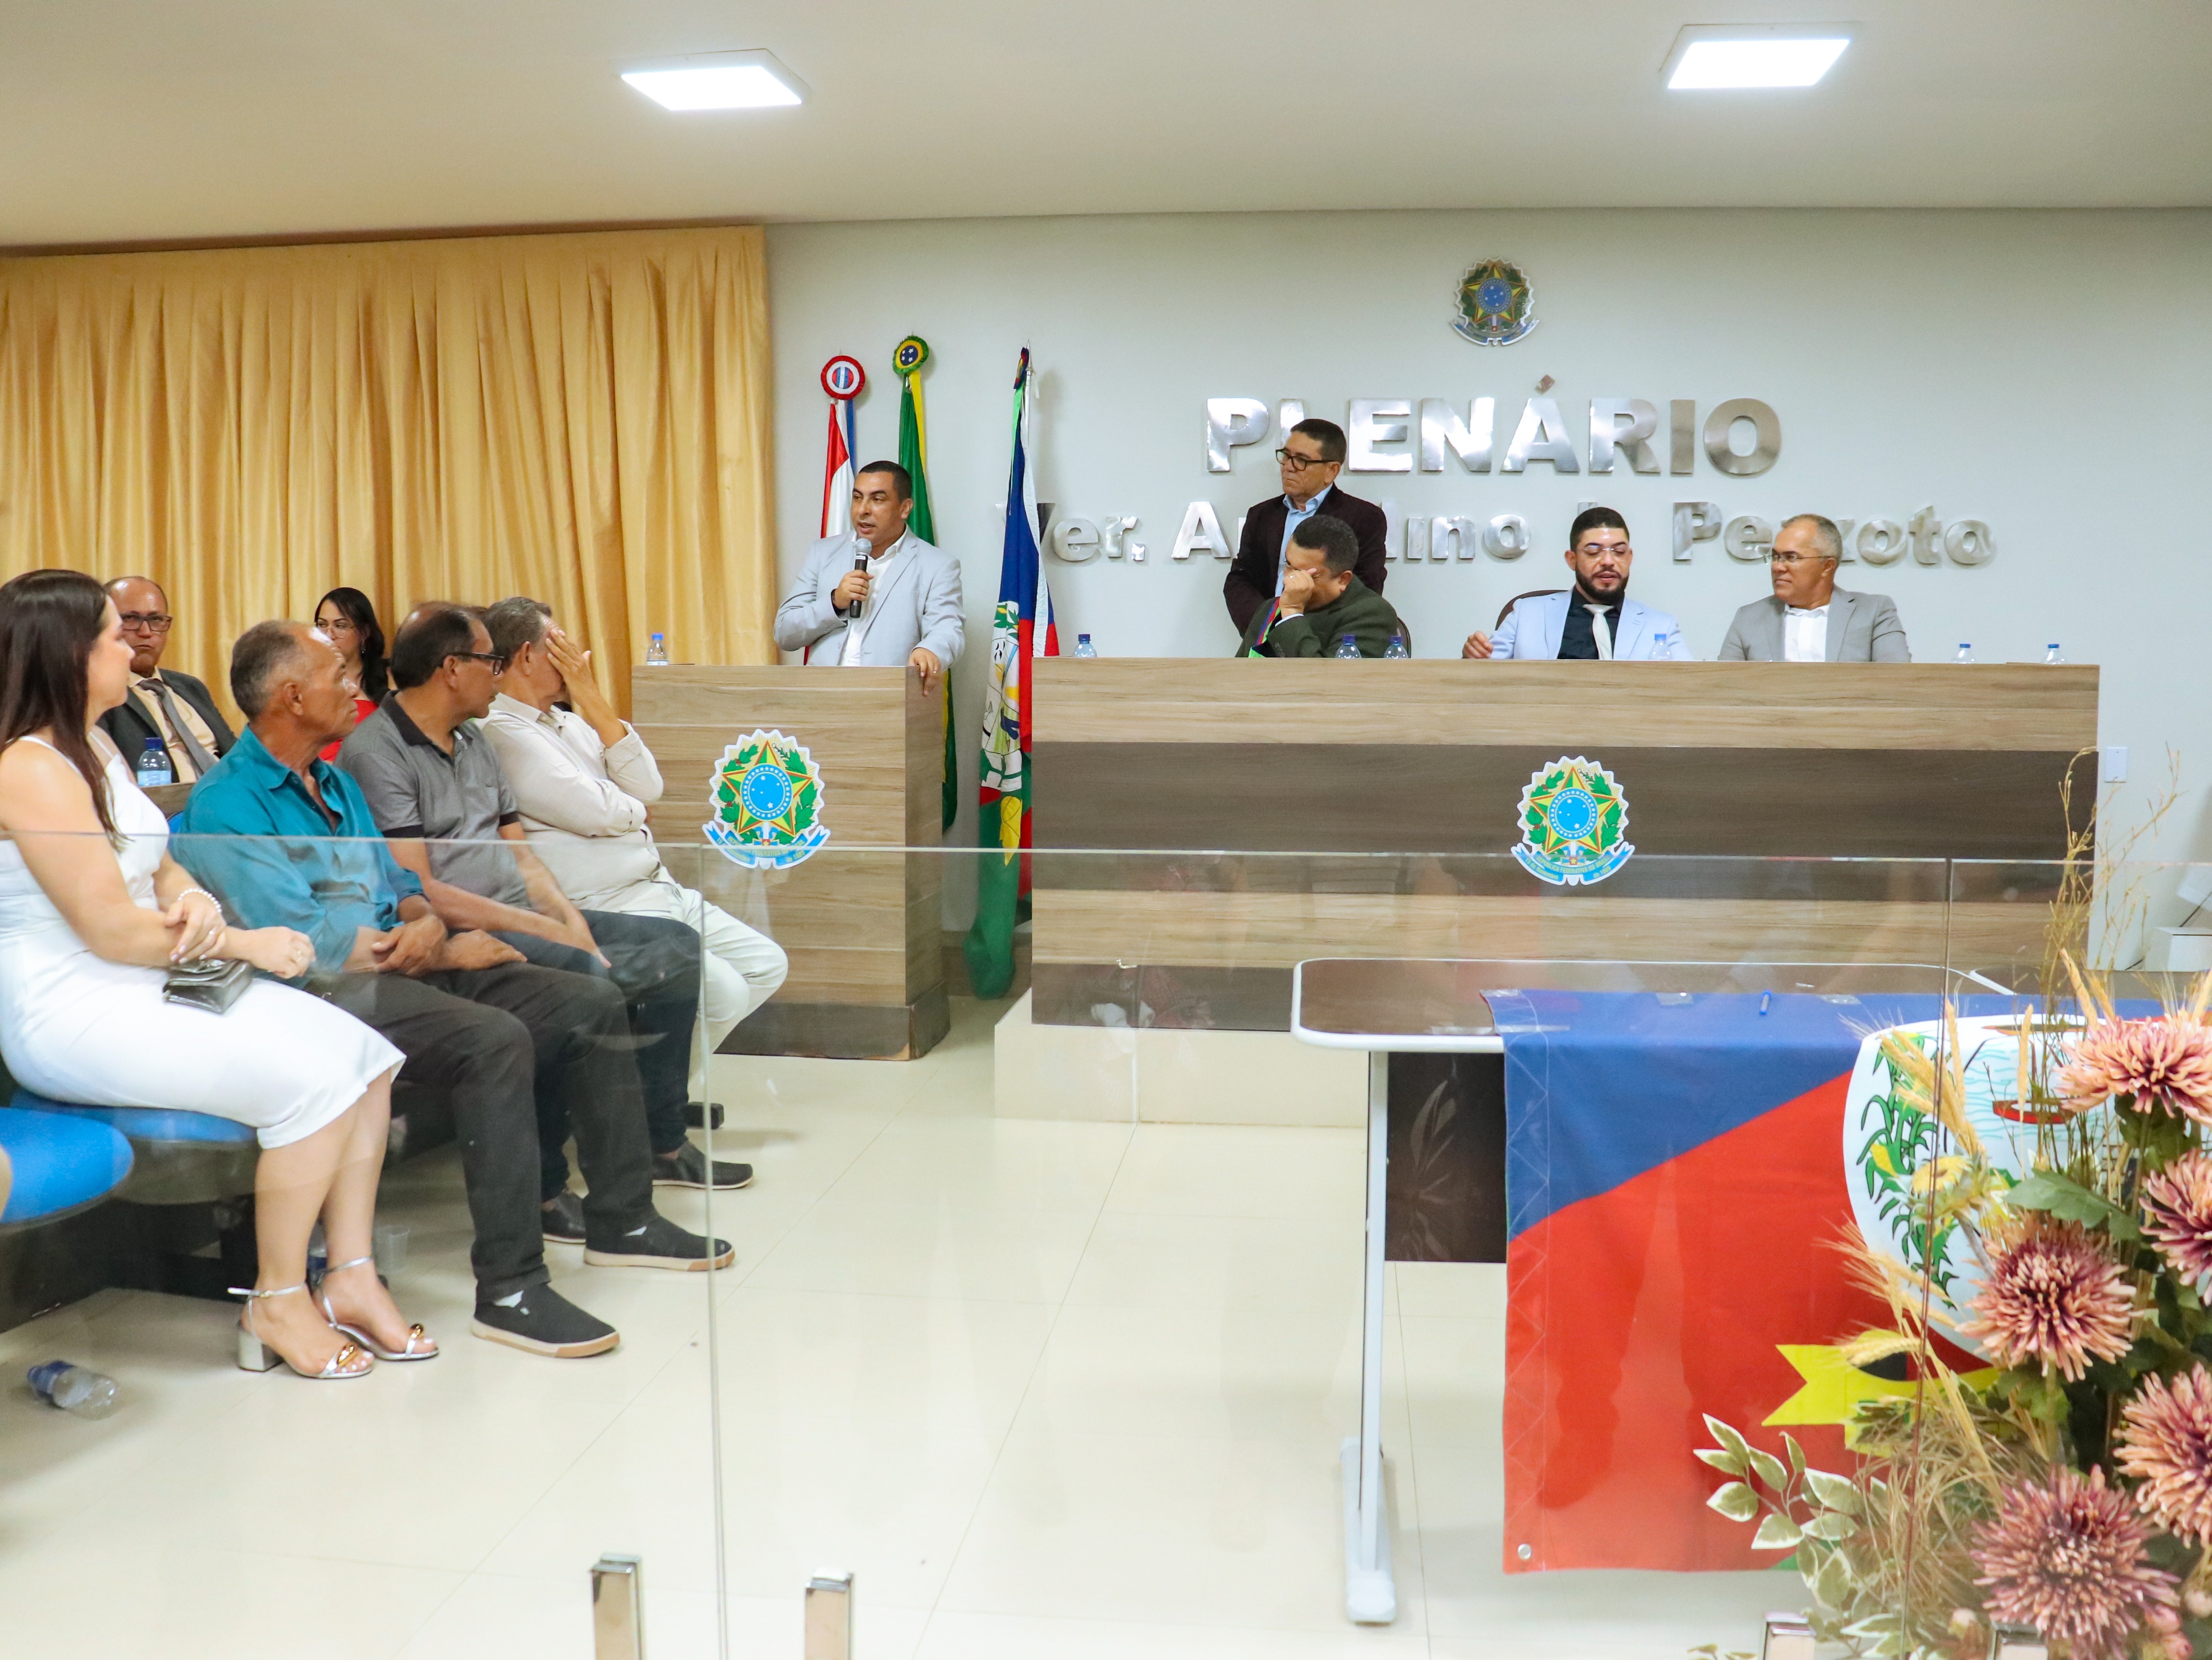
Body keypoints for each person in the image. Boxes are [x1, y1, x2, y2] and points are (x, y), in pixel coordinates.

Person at [179, 620, 731, 1356]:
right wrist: (430, 944)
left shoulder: (335, 780)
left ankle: (623, 1217)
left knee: (587, 999)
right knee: (492, 1040)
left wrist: (425, 922)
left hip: (402, 959)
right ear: (291, 696)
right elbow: (307, 945)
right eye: (338, 675)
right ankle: (510, 1287)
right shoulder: (229, 803)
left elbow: (400, 883)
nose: (354, 685)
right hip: (319, 996)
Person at [0, 570, 423, 1381]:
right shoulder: (30, 767)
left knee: (367, 1057)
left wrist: (193, 898)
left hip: (139, 981)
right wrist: (241, 942)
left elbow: (159, 868)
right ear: (67, 654)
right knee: (309, 1085)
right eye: (113, 634)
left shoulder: (94, 746)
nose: (132, 647)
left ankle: (351, 1275)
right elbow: (109, 927)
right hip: (71, 1007)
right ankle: (277, 1297)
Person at [336, 604, 747, 1236]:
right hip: (458, 930)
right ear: (452, 669)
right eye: (489, 661)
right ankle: (551, 1188)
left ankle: (663, 1138)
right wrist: (543, 931)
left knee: (675, 949)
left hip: (520, 915)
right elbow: (419, 888)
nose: (497, 673)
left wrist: (565, 919)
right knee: (584, 984)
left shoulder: (473, 739)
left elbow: (522, 856)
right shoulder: (378, 752)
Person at [480, 596, 790, 1109]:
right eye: (560, 645)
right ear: (527, 656)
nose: (576, 657)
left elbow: (648, 786)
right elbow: (601, 812)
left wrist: (591, 698)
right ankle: (650, 1111)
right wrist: (631, 809)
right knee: (726, 993)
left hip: (655, 885)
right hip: (608, 904)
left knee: (766, 965)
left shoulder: (570, 722)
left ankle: (648, 1102)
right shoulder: (502, 730)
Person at [774, 460, 962, 691]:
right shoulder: (823, 553)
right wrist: (834, 602)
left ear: (905, 508)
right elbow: (785, 633)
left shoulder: (937, 565)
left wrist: (930, 650)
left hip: (888, 695)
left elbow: (947, 630)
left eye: (877, 499)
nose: (863, 509)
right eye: (857, 498)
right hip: (821, 695)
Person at [1223, 418, 1388, 638]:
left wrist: (1296, 629)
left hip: (1323, 639)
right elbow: (1240, 579)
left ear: (1331, 470)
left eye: (1301, 460)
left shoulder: (1364, 518)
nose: (1288, 467)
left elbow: (1365, 588)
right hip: (1263, 638)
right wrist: (1266, 627)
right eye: (1286, 456)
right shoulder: (1261, 515)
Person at [1461, 507, 1691, 660]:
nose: (1608, 561)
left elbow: (1690, 688)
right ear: (1572, 560)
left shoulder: (1661, 626)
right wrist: (1474, 656)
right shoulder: (1526, 614)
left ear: (1630, 558)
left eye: (1619, 552)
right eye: (1593, 552)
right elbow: (1484, 674)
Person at [97, 575, 235, 783]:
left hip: (230, 793)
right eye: (131, 619)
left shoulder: (190, 687)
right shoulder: (100, 694)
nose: (146, 632)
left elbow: (234, 753)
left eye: (156, 620)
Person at [1716, 514, 1910, 663]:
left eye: (1791, 557)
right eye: (1775, 557)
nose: (1777, 567)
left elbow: (1897, 683)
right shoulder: (1748, 619)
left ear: (1827, 566)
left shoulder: (1873, 612)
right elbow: (1723, 690)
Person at [1236, 515, 1409, 658]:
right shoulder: (1270, 609)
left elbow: (1325, 682)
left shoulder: (1372, 614)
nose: (1289, 580)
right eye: (1288, 565)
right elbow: (1238, 673)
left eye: (1306, 574)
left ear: (1343, 580)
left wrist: (1292, 613)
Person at [313, 586, 389, 760]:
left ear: (364, 632)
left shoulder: (389, 678)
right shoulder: (305, 678)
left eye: (340, 626)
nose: (328, 634)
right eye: (322, 625)